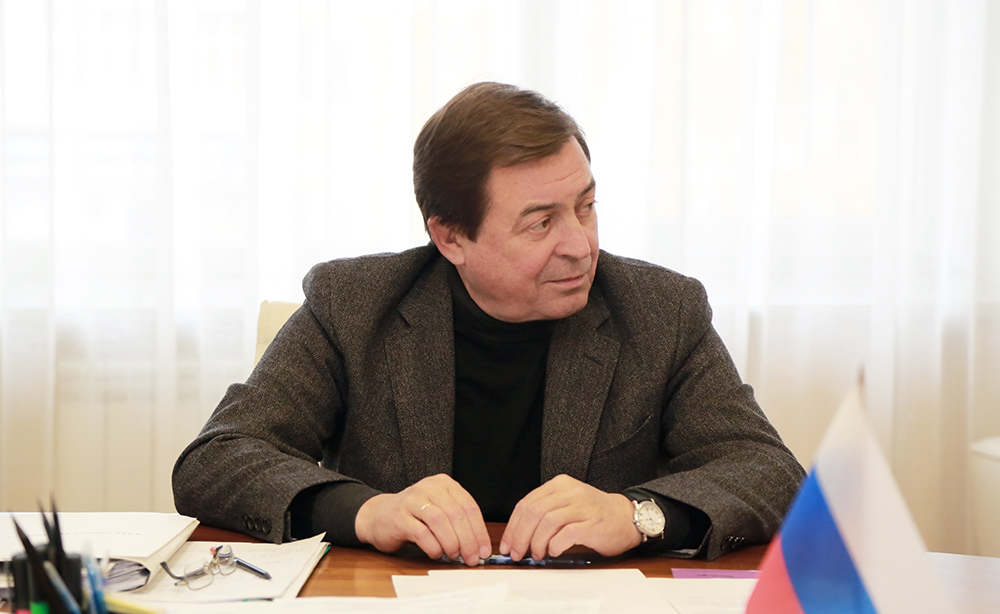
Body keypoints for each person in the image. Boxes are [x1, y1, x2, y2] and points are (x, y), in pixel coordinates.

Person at [172, 82, 805, 565]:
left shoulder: (661, 309)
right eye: (541, 222)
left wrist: (639, 515)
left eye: (585, 207)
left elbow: (768, 469)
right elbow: (217, 459)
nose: (580, 245)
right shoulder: (355, 305)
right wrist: (366, 512)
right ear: (451, 237)